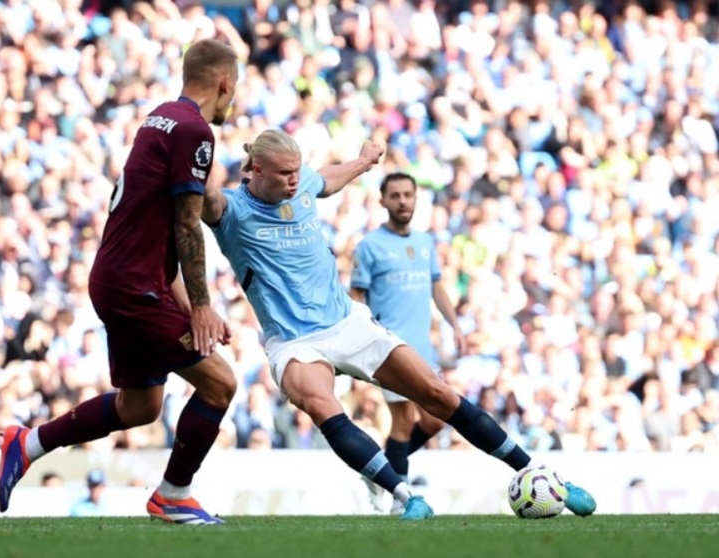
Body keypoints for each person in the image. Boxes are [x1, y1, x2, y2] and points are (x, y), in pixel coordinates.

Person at [202, 129, 596, 520]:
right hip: (294, 341)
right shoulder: (231, 210)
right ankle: (405, 498)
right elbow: (197, 195)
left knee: (437, 394)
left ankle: (540, 474)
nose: (294, 179)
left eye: (296, 170)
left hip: (346, 322)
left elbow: (326, 179)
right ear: (255, 170)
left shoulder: (302, 182)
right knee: (322, 404)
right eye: (283, 173)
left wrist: (364, 159)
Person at [0, 39, 241, 526]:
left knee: (140, 407)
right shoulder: (194, 130)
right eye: (236, 88)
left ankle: (28, 443)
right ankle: (173, 494)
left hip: (122, 278)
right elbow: (188, 224)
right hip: (133, 286)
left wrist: (191, 306)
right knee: (219, 384)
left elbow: (163, 230)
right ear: (225, 82)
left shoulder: (160, 117)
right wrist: (205, 305)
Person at [349, 171, 465, 514]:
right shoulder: (369, 246)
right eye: (395, 195)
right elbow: (357, 295)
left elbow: (437, 286)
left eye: (408, 195)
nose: (402, 201)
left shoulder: (426, 242)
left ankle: (380, 471)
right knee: (402, 422)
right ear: (383, 201)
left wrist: (454, 325)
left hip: (422, 349)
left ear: (416, 199)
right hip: (389, 350)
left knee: (434, 421)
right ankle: (401, 502)